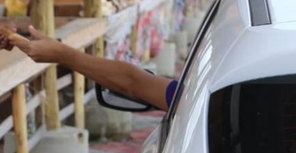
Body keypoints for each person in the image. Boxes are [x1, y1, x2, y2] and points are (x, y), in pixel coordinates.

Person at [9, 26, 177, 111]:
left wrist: (61, 54)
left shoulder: (193, 97)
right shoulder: (197, 95)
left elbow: (132, 81)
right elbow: (131, 81)